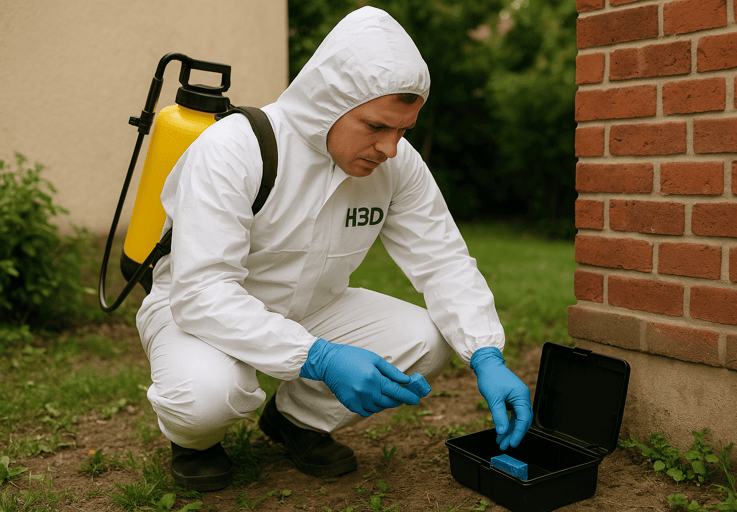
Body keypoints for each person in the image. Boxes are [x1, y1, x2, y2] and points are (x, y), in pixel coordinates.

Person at [136, 6, 533, 491]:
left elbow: (442, 258)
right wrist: (320, 358)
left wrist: (486, 355)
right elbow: (202, 293)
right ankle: (196, 444)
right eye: (375, 127)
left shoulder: (396, 163)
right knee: (205, 397)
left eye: (402, 130)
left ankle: (296, 422)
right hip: (197, 315)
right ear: (329, 101)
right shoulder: (233, 149)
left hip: (311, 308)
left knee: (425, 339)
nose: (389, 148)